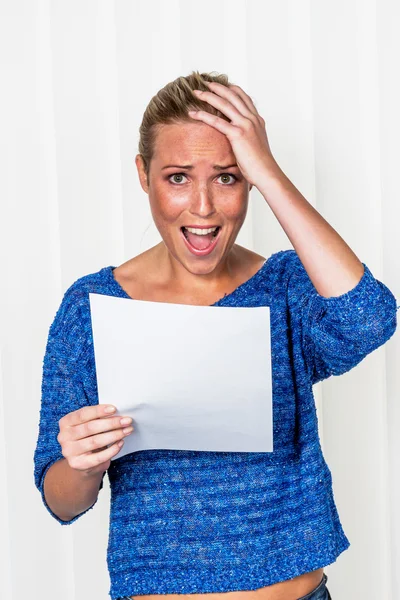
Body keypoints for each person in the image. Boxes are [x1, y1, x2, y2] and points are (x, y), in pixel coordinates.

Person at [33, 70, 398, 600]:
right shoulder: (92, 306)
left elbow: (370, 318)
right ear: (143, 174)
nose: (202, 207)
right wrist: (84, 463)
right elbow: (61, 500)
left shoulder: (286, 287)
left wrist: (269, 172)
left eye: (227, 177)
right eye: (177, 177)